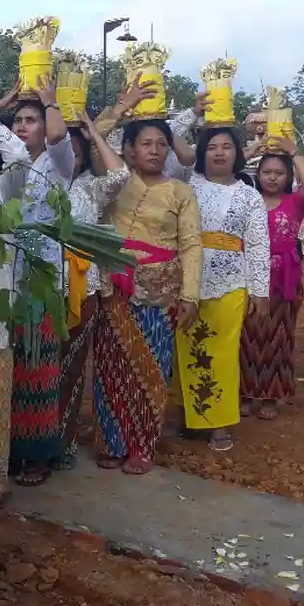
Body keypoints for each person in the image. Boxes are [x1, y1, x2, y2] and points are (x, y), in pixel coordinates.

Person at [92, 119, 202, 475]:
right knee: (111, 368)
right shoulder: (114, 181)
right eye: (145, 143)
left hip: (159, 292)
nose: (154, 151)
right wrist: (124, 106)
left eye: (161, 144)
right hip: (114, 288)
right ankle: (112, 443)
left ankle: (141, 446)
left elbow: (191, 244)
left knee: (152, 368)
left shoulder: (181, 192)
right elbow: (95, 136)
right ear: (128, 149)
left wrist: (190, 296)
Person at [0, 76, 73, 487]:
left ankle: (39, 454)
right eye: (18, 120)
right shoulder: (10, 162)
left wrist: (50, 102)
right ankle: (12, 449)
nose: (22, 126)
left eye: (31, 120)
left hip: (44, 276)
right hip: (10, 273)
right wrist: (1, 103)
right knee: (12, 365)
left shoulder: (60, 164)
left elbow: (59, 136)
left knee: (39, 367)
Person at [175, 126, 270, 451]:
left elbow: (258, 245)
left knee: (224, 355)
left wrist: (260, 290)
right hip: (187, 280)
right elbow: (166, 135)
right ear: (201, 153)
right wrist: (191, 114)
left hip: (231, 282)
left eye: (226, 146)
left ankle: (219, 424)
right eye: (212, 146)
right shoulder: (186, 185)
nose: (218, 152)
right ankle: (190, 415)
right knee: (187, 349)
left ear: (237, 153)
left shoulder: (250, 195)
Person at [55, 109, 135, 467]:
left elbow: (120, 174)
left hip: (83, 289)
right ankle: (33, 446)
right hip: (40, 288)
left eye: (77, 153)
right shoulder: (41, 180)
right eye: (65, 152)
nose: (71, 159)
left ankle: (64, 443)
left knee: (72, 369)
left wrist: (93, 133)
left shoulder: (91, 187)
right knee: (39, 368)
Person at [241, 135, 304, 419]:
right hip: (249, 278)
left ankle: (271, 398)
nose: (272, 177)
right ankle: (245, 394)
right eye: (266, 172)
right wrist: (253, 149)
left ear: (288, 177)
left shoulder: (295, 202)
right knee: (246, 337)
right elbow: (229, 170)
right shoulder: (247, 199)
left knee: (278, 338)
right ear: (257, 174)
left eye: (279, 173)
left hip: (284, 281)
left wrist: (293, 152)